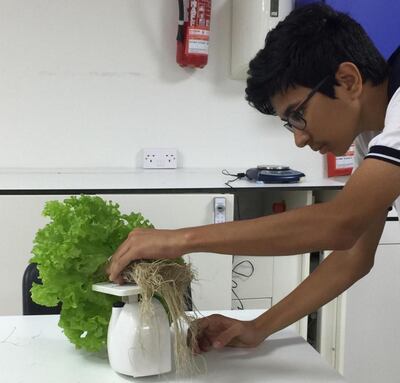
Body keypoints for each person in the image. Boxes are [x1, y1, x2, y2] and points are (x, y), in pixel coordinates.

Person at [108, 3, 400, 353]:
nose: (299, 138)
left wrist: (180, 240)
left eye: (297, 114)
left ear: (348, 81)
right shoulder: (373, 135)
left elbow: (342, 224)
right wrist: (256, 328)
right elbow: (354, 254)